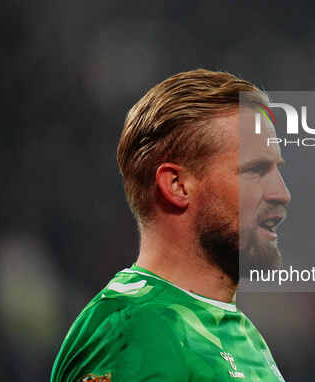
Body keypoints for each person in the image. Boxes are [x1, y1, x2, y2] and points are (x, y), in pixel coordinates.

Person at [51, 69, 291, 382]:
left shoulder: (244, 335)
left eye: (276, 170)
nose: (281, 193)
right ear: (177, 185)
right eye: (255, 171)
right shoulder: (134, 330)